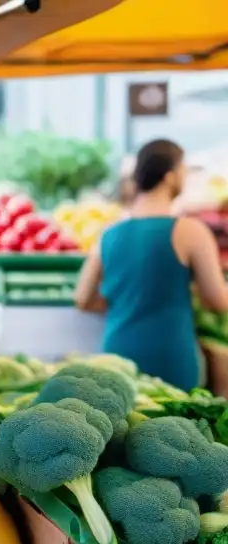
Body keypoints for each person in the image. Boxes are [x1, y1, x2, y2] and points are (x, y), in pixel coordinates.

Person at [75, 139, 228, 391]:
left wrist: (128, 303)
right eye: (183, 170)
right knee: (175, 426)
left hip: (117, 357)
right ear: (169, 176)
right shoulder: (190, 231)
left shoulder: (109, 233)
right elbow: (216, 300)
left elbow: (83, 299)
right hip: (170, 358)